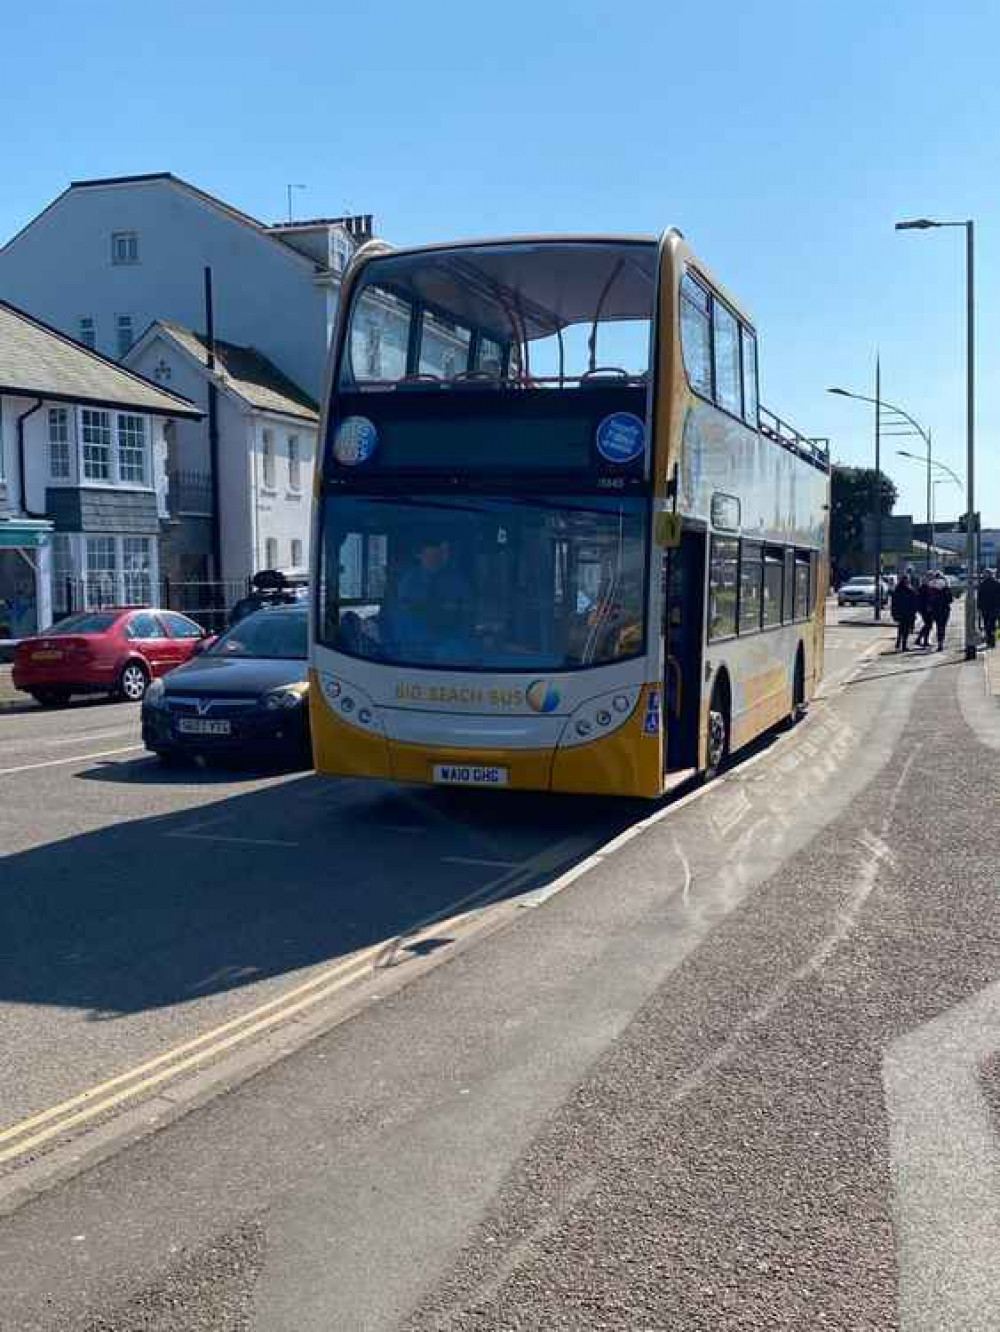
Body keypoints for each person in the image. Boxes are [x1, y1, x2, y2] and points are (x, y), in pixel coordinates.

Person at [393, 537, 474, 662]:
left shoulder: (456, 580)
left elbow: (469, 608)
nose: (433, 560)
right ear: (419, 556)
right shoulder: (409, 581)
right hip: (414, 645)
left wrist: (457, 607)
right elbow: (404, 608)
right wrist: (436, 607)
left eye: (437, 556)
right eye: (429, 556)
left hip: (450, 641)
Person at [925, 571, 953, 651]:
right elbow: (950, 600)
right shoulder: (946, 588)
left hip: (936, 609)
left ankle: (940, 642)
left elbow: (929, 600)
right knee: (942, 627)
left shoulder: (932, 588)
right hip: (944, 609)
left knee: (938, 626)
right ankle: (941, 643)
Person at [890, 573, 918, 652]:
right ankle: (903, 645)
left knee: (901, 628)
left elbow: (894, 603)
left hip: (902, 612)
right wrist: (914, 611)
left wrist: (894, 613)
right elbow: (914, 602)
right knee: (905, 629)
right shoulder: (909, 590)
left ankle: (899, 642)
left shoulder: (898, 589)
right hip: (907, 612)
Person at [979, 568, 1000, 649]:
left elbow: (979, 597)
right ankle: (993, 640)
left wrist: (979, 607)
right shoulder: (997, 583)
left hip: (985, 608)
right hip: (995, 608)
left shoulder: (982, 584)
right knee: (993, 624)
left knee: (987, 625)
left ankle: (989, 641)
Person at [915, 573, 934, 648]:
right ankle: (921, 639)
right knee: (928, 624)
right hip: (925, 609)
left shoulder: (927, 587)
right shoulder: (924, 588)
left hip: (926, 609)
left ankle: (922, 640)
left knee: (928, 625)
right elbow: (923, 599)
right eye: (930, 578)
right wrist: (926, 606)